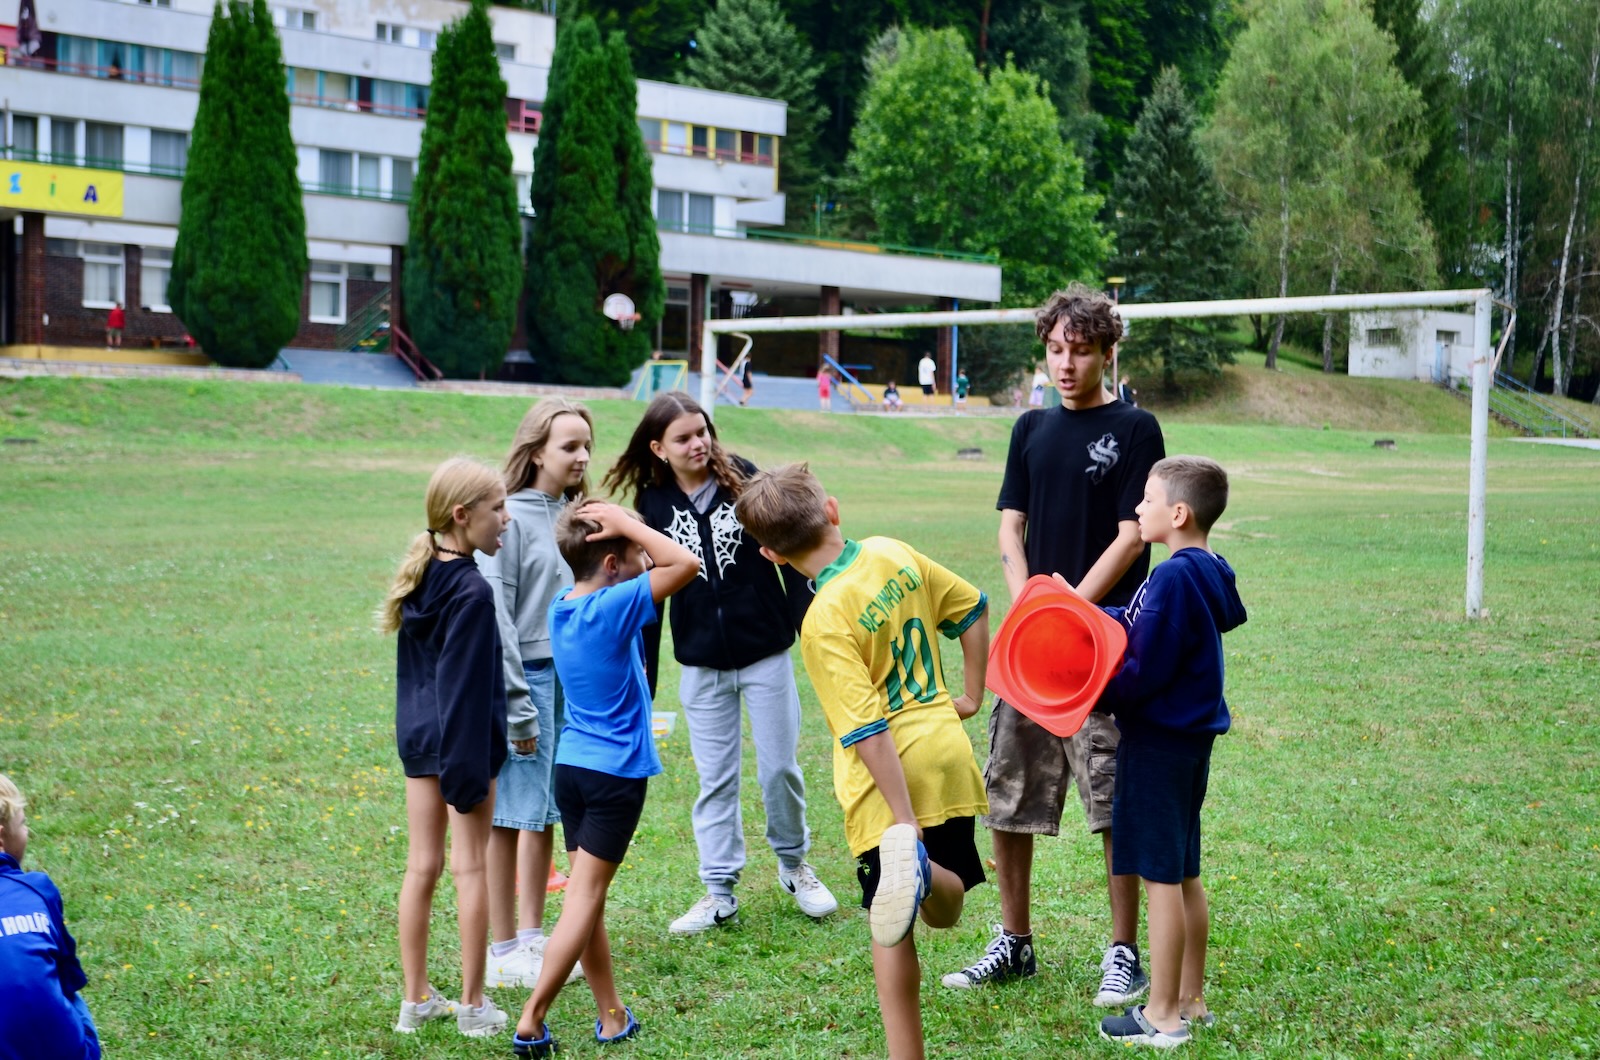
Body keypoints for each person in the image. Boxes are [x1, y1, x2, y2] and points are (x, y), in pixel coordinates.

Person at [944, 283, 1165, 1008]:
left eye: (1081, 351)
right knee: (1007, 791)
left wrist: (1070, 608)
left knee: (1111, 798)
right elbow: (1011, 525)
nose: (1066, 365)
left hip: (1103, 644)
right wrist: (1030, 603)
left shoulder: (1137, 429)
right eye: (1056, 350)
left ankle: (1124, 951)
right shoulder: (1030, 429)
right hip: (1032, 645)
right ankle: (1015, 942)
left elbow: (1133, 536)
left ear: (1107, 352)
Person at [735, 464, 991, 1060]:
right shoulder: (890, 551)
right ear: (832, 509)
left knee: (889, 925)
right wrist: (972, 696)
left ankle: (906, 1054)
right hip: (946, 753)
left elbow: (866, 728)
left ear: (771, 554)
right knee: (944, 912)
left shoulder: (822, 618)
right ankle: (924, 871)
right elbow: (974, 608)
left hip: (890, 780)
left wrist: (901, 821)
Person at [602, 393, 837, 934]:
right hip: (701, 665)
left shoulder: (744, 480)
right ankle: (719, 890)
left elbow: (789, 556)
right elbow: (649, 591)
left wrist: (810, 629)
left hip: (765, 654)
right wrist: (646, 675)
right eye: (683, 437)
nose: (698, 443)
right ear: (658, 448)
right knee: (715, 780)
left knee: (779, 768)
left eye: (703, 431)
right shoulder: (652, 504)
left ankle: (794, 866)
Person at [510, 499, 701, 1058]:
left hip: (571, 769)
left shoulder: (562, 607)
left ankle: (611, 1015)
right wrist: (627, 524)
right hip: (613, 775)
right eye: (636, 550)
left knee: (584, 900)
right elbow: (685, 564)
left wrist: (623, 532)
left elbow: (662, 565)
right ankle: (532, 1018)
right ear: (614, 565)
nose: (647, 557)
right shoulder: (613, 606)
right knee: (585, 897)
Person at [1094, 456, 1246, 1047]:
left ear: (1178, 513)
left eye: (1147, 499)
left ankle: (1161, 1016)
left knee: (1159, 877)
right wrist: (1087, 615)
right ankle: (1191, 998)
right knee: (1183, 873)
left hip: (1158, 743)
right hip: (1188, 744)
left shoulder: (1173, 578)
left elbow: (1143, 667)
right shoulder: (1204, 570)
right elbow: (1138, 625)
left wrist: (1097, 692)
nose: (1138, 509)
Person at [378, 457, 513, 1038]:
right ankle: (474, 1006)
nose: (506, 519)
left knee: (422, 866)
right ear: (462, 515)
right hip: (462, 749)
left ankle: (416, 1001)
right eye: (498, 508)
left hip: (419, 742)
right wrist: (468, 774)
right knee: (470, 867)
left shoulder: (423, 573)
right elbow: (464, 692)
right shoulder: (473, 592)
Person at [478, 399, 596, 991]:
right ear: (536, 451)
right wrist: (517, 702)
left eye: (587, 446)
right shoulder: (508, 517)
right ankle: (502, 950)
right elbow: (497, 615)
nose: (582, 457)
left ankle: (530, 936)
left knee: (545, 811)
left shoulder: (575, 516)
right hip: (525, 678)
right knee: (509, 816)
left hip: (567, 679)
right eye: (569, 446)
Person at [0, 773, 102, 1060]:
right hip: (70, 1053)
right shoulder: (37, 888)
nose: (27, 831)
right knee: (65, 985)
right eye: (23, 823)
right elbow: (70, 979)